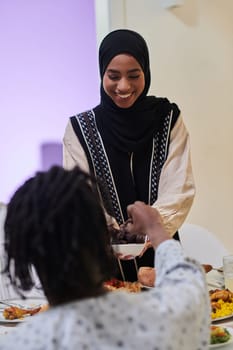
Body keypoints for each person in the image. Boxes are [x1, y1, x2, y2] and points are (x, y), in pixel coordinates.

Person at [0, 166, 210, 350]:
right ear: (102, 237)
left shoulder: (18, 344)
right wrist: (155, 228)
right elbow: (190, 288)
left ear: (24, 258)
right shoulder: (159, 320)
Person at [63, 29, 195, 280]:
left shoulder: (168, 119)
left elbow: (179, 188)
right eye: (113, 76)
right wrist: (111, 234)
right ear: (102, 73)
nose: (123, 86)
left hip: (160, 260)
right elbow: (80, 196)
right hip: (102, 263)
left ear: (146, 72)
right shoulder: (80, 129)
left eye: (134, 75)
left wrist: (149, 231)